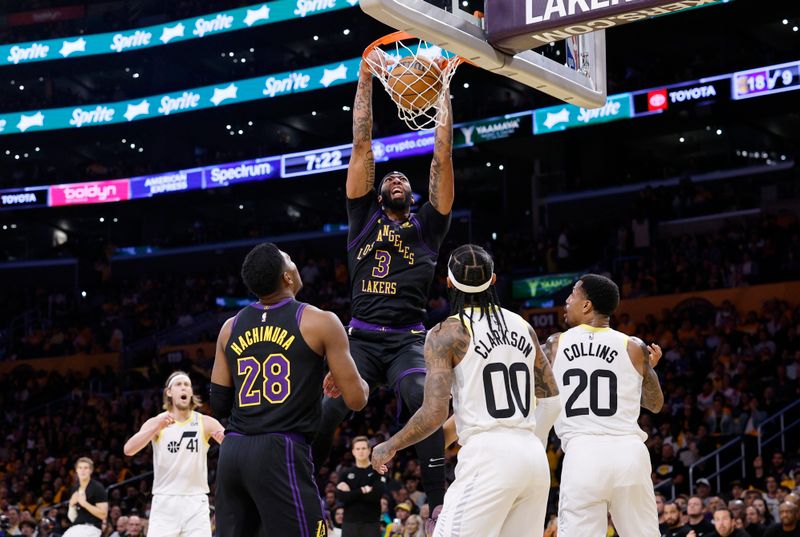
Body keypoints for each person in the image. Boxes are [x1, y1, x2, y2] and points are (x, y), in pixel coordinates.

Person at [312, 46, 456, 515]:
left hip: (408, 340)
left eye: (402, 177)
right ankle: (302, 480)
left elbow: (441, 156)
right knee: (333, 406)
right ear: (376, 193)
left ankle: (438, 504)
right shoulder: (362, 221)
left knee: (423, 395)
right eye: (388, 177)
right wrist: (366, 77)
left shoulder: (428, 226)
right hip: (362, 340)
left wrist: (443, 91)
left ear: (412, 194)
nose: (396, 178)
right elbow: (362, 145)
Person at [371, 244, 560, 537]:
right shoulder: (523, 326)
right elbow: (550, 397)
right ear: (493, 281)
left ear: (448, 283)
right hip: (533, 458)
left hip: (489, 459)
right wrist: (528, 438)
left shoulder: (447, 333)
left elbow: (434, 413)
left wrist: (391, 444)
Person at [210, 243, 369, 537]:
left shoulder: (229, 327)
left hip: (232, 452)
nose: (295, 265)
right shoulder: (320, 321)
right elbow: (356, 400)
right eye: (291, 260)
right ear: (286, 277)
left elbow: (218, 403)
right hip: (279, 449)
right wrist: (361, 381)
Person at [541, 274, 664, 537]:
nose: (567, 300)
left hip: (583, 454)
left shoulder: (555, 344)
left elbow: (531, 387)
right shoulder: (634, 347)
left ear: (586, 306)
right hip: (630, 455)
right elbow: (655, 404)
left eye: (573, 294)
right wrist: (642, 373)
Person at [123, 370, 225, 537]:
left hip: (196, 501)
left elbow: (233, 445)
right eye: (178, 384)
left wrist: (225, 441)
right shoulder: (157, 421)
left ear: (191, 393)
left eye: (187, 385)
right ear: (169, 392)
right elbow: (129, 449)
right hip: (165, 501)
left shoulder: (205, 422)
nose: (183, 388)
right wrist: (155, 428)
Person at [336, 436, 386, 537]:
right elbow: (341, 498)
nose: (361, 451)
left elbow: (376, 496)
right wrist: (362, 490)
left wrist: (351, 493)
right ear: (353, 451)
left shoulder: (378, 471)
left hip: (371, 523)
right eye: (357, 449)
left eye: (363, 448)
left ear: (369, 450)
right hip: (349, 523)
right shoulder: (345, 473)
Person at [64, 458, 108, 537]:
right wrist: (71, 505)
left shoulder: (97, 487)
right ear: (76, 470)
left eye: (86, 468)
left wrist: (84, 503)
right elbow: (72, 518)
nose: (82, 471)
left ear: (91, 470)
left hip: (92, 527)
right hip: (75, 527)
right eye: (80, 468)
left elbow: (103, 514)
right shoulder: (75, 488)